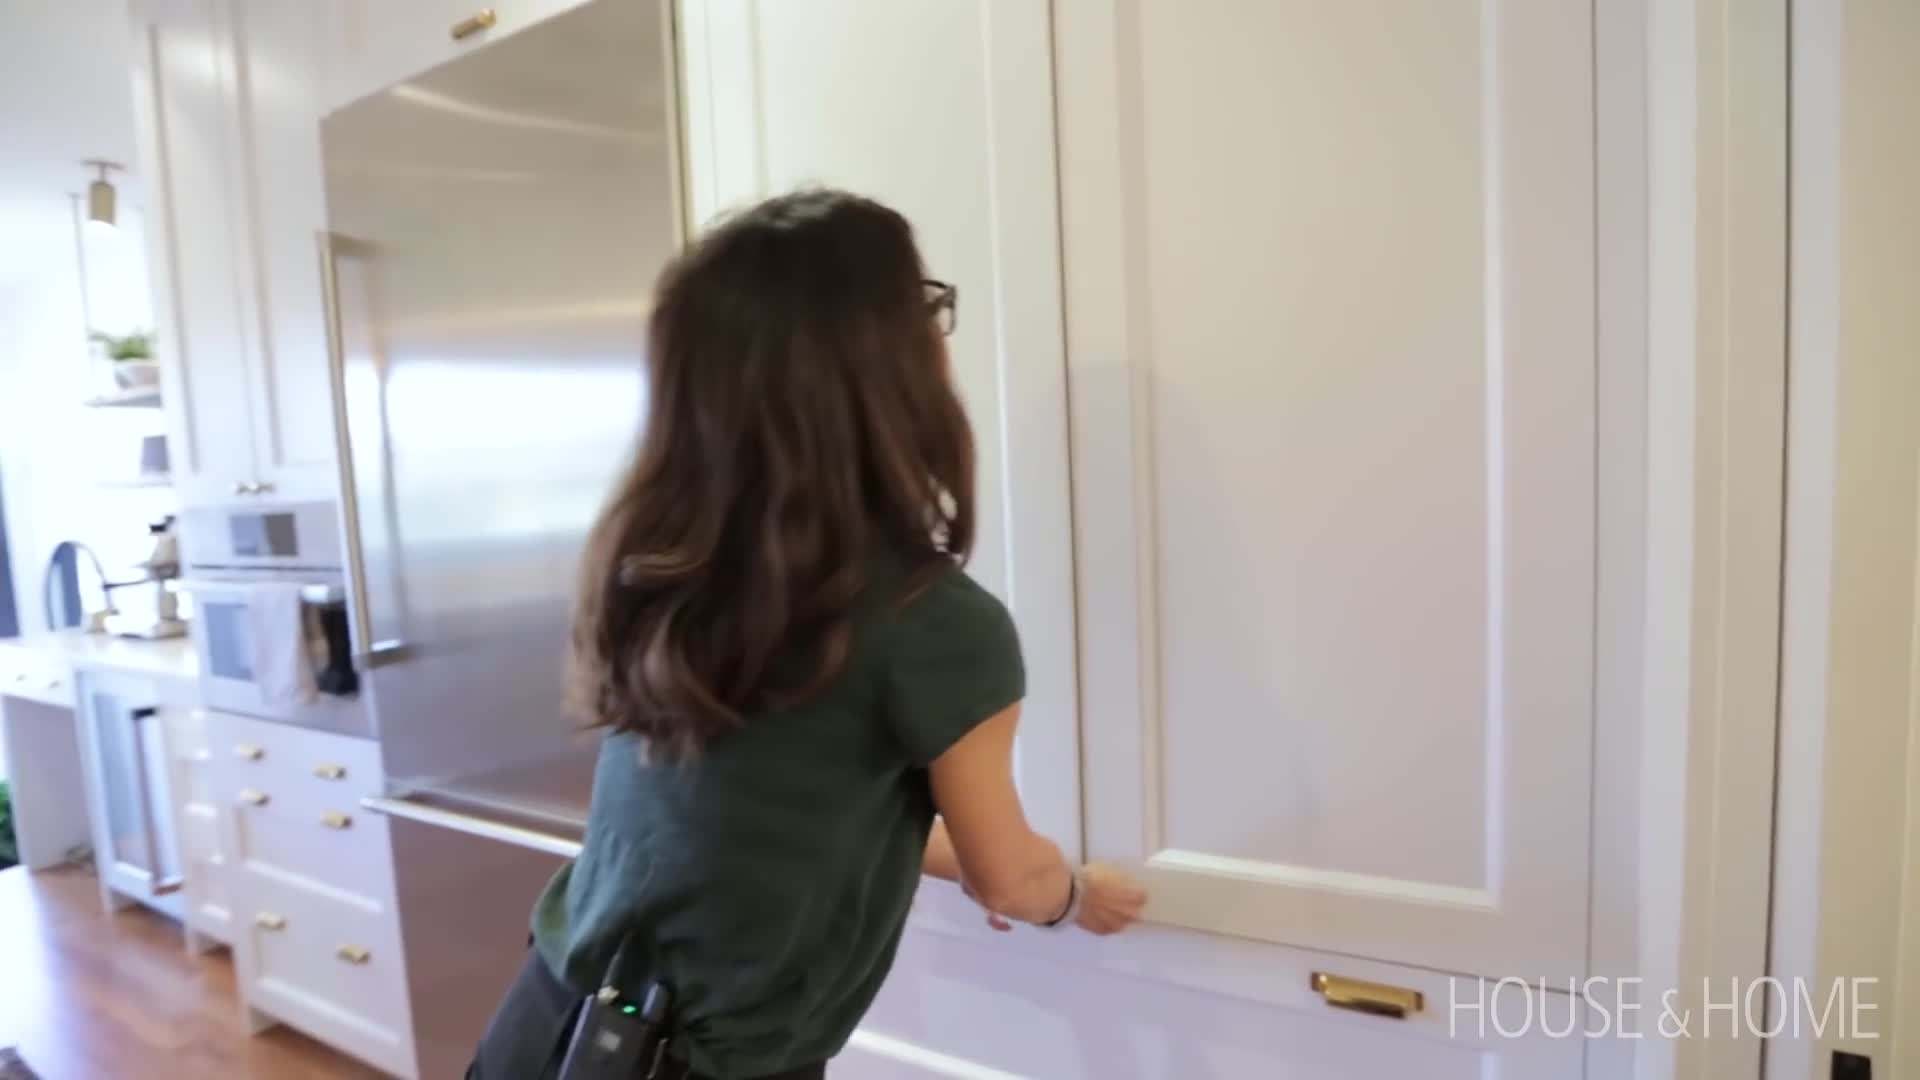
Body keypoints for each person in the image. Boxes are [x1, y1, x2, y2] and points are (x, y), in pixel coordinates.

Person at [469, 189, 1148, 1080]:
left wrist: (971, 864)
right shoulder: (935, 624)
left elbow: (794, 815)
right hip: (702, 1063)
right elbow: (1009, 877)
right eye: (927, 308)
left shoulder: (669, 567)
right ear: (881, 363)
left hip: (552, 1019)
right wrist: (1075, 896)